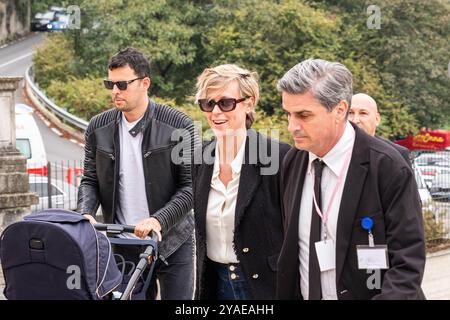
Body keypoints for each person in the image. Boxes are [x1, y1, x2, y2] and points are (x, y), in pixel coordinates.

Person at [276, 59, 426, 300]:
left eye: (303, 115)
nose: (292, 126)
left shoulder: (387, 166)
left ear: (339, 109)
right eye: (289, 114)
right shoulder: (293, 161)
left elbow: (407, 261)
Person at [77, 48, 197, 300]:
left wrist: (158, 220)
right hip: (123, 242)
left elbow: (191, 187)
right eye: (110, 84)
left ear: (145, 83)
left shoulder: (179, 124)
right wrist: (85, 214)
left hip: (173, 241)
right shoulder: (97, 127)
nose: (115, 91)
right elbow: (90, 179)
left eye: (122, 84)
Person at [192, 64, 290, 300]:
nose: (216, 112)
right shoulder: (198, 159)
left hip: (263, 288)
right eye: (208, 103)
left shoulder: (280, 157)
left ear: (249, 102)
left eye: (226, 103)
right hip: (212, 284)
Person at [349, 93, 411, 164]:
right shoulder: (335, 149)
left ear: (377, 119)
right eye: (350, 113)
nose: (355, 120)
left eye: (363, 113)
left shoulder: (397, 155)